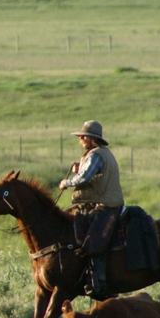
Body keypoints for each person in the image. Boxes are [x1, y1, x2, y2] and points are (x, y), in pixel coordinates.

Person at [58, 120, 123, 296]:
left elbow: (85, 178)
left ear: (91, 139)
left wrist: (68, 182)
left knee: (94, 242)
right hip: (102, 202)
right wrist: (79, 168)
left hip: (105, 205)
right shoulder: (101, 154)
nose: (81, 140)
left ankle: (99, 282)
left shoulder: (95, 155)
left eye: (83, 137)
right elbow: (91, 173)